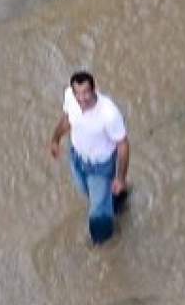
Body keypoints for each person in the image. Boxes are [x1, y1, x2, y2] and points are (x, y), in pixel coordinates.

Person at [49, 69, 129, 245]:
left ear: (94, 90)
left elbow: (123, 145)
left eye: (86, 93)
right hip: (77, 159)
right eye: (77, 93)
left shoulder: (109, 114)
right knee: (89, 193)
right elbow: (67, 119)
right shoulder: (71, 97)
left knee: (98, 213)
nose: (81, 98)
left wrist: (120, 178)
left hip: (100, 167)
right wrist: (55, 139)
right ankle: (117, 199)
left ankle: (103, 243)